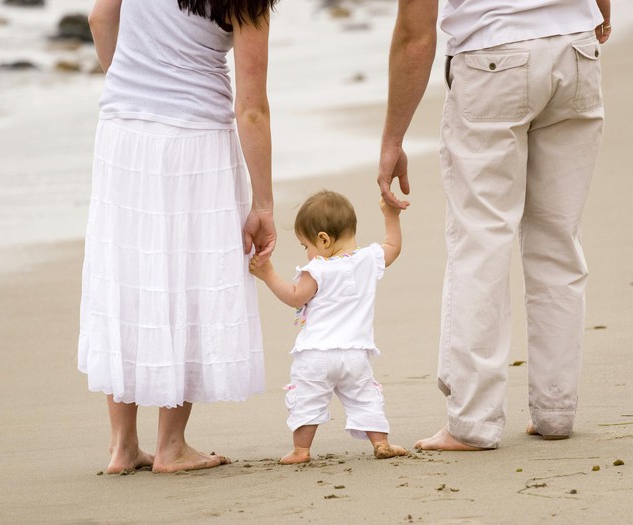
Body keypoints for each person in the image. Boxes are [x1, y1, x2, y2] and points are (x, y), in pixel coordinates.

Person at [378, 0, 612, 450]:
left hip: (493, 57)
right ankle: (555, 411)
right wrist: (598, 10)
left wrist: (393, 137)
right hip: (575, 49)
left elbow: (415, 32)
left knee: (482, 241)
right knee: (558, 238)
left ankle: (473, 421)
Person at [78, 0, 278, 473]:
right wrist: (264, 203)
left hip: (122, 131)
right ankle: (171, 446)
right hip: (195, 138)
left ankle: (123, 446)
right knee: (185, 278)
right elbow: (251, 109)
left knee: (127, 277)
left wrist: (129, 78)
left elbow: (99, 18)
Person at [249, 190, 408, 464]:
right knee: (365, 398)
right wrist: (390, 216)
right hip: (355, 354)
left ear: (323, 239)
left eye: (305, 245)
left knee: (308, 400)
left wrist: (268, 275)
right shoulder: (368, 259)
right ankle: (381, 443)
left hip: (316, 354)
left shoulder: (318, 269)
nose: (308, 252)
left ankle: (301, 450)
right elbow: (393, 246)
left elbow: (296, 296)